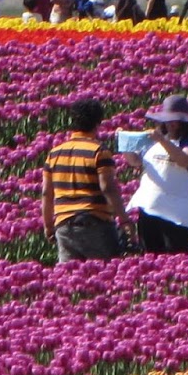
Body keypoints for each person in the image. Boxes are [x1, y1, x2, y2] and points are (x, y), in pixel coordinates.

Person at [41, 99, 130, 262]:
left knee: (69, 278)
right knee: (105, 274)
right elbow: (107, 188)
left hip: (64, 225)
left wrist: (48, 225)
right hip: (94, 222)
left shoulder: (54, 153)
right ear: (98, 123)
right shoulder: (99, 152)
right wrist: (124, 219)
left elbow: (47, 193)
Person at [120, 94, 188, 254]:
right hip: (149, 208)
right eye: (169, 119)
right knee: (150, 256)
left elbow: (185, 160)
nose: (172, 123)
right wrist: (125, 144)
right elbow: (135, 162)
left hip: (177, 213)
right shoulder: (153, 140)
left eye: (177, 120)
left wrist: (162, 141)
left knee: (176, 256)